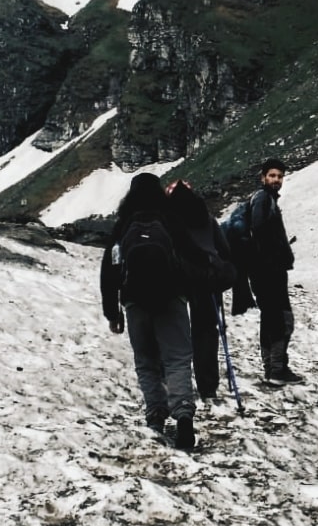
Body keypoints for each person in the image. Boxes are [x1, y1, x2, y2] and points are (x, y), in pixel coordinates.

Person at [100, 173, 198, 450]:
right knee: (177, 358)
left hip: (135, 303)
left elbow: (110, 271)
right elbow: (191, 258)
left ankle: (155, 416)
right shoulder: (171, 221)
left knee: (146, 361)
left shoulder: (123, 226)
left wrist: (112, 312)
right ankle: (184, 420)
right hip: (171, 299)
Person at [165, 179, 236, 401]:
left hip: (179, 281)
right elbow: (225, 250)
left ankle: (176, 384)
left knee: (176, 333)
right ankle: (208, 388)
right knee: (205, 333)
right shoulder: (207, 219)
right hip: (208, 281)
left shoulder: (169, 221)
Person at [248, 157, 304, 385]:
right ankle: (277, 370)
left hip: (264, 270)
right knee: (282, 320)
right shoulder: (263, 200)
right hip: (269, 271)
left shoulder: (265, 199)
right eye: (272, 176)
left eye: (280, 176)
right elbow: (259, 231)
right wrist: (273, 259)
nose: (276, 180)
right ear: (263, 177)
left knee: (270, 318)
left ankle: (271, 368)